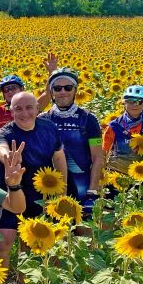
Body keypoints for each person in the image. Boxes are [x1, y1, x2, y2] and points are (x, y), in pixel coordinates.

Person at [0, 92, 68, 268]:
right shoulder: (6, 132)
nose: (24, 113)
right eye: (18, 109)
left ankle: (22, 283)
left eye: (29, 108)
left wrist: (62, 189)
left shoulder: (48, 128)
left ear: (37, 108)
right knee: (2, 243)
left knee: (30, 243)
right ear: (11, 112)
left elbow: (58, 158)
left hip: (37, 195)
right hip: (8, 195)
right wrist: (8, 156)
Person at [39, 68, 103, 215]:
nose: (63, 92)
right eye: (57, 88)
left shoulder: (88, 119)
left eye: (68, 88)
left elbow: (98, 156)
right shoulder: (42, 120)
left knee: (82, 233)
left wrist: (92, 191)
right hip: (50, 187)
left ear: (75, 90)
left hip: (82, 185)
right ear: (52, 92)